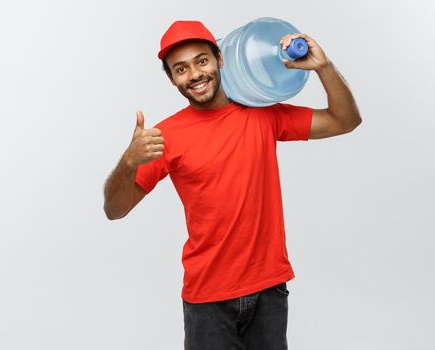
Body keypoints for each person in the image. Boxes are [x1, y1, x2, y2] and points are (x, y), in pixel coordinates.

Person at [102, 20, 361, 349]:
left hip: (269, 289)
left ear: (220, 59)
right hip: (208, 300)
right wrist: (129, 161)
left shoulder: (262, 113)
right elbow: (114, 209)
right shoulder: (164, 138)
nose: (194, 74)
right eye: (180, 69)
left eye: (201, 60)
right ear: (172, 79)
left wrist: (323, 67)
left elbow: (346, 120)